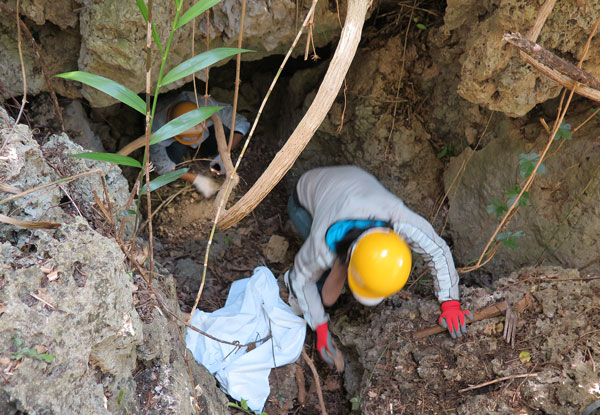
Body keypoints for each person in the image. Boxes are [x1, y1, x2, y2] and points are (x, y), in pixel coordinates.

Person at [283, 165, 472, 367]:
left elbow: (438, 250)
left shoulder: (400, 220)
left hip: (353, 185)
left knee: (330, 290)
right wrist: (319, 325)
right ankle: (291, 284)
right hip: (304, 197)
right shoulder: (321, 245)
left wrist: (450, 301)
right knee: (320, 285)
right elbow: (302, 280)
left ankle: (340, 271)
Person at [149, 91, 250, 197]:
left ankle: (208, 149)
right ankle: (182, 147)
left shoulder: (205, 106)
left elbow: (241, 123)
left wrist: (225, 153)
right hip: (173, 142)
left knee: (223, 132)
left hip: (200, 123)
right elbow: (161, 166)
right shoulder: (156, 131)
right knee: (174, 154)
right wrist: (197, 180)